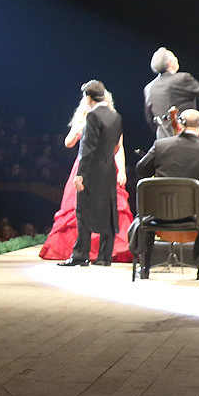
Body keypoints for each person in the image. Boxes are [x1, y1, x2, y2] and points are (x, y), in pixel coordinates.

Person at [134, 109, 199, 282]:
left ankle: (145, 268)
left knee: (144, 216)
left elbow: (141, 170)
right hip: (196, 216)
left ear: (179, 124)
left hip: (158, 214)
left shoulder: (161, 145)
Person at [57, 80, 124, 268]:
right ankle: (105, 257)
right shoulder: (116, 116)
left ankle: (80, 255)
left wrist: (80, 175)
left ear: (88, 98)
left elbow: (86, 149)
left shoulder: (92, 116)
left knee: (83, 209)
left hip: (92, 169)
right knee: (109, 210)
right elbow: (117, 146)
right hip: (109, 168)